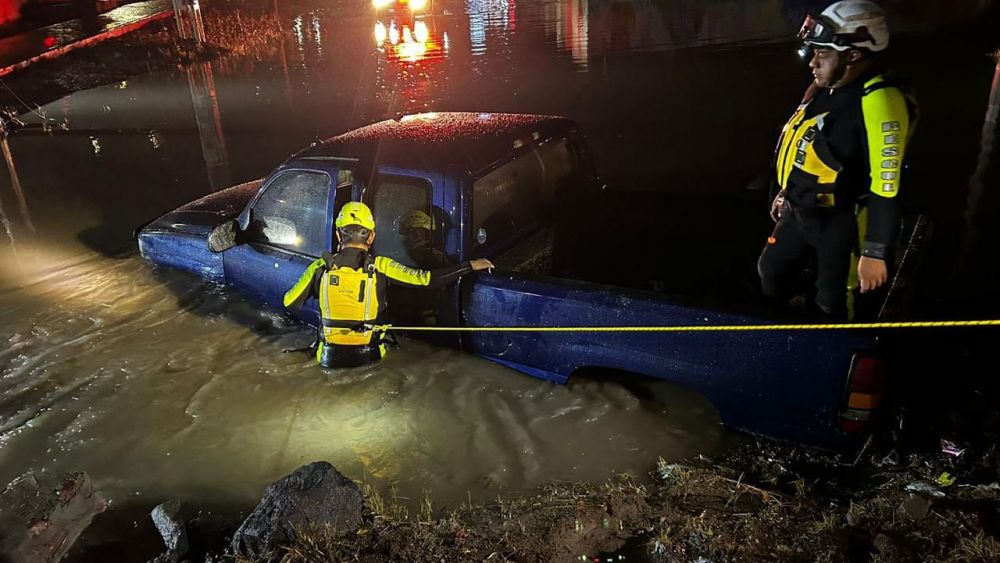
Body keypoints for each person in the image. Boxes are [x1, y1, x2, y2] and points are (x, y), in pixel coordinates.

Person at [757, 0, 919, 319]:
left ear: (853, 54)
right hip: (799, 208)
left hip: (839, 218)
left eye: (823, 53)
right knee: (770, 269)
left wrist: (875, 251)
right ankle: (777, 325)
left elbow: (887, 183)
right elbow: (805, 145)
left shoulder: (880, 99)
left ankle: (829, 343)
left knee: (833, 298)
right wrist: (785, 190)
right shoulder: (825, 87)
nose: (813, 63)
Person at [283, 202, 493, 368]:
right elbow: (427, 280)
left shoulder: (319, 267)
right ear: (371, 236)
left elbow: (290, 302)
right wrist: (469, 265)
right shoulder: (381, 266)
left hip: (328, 359)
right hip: (370, 358)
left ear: (339, 234)